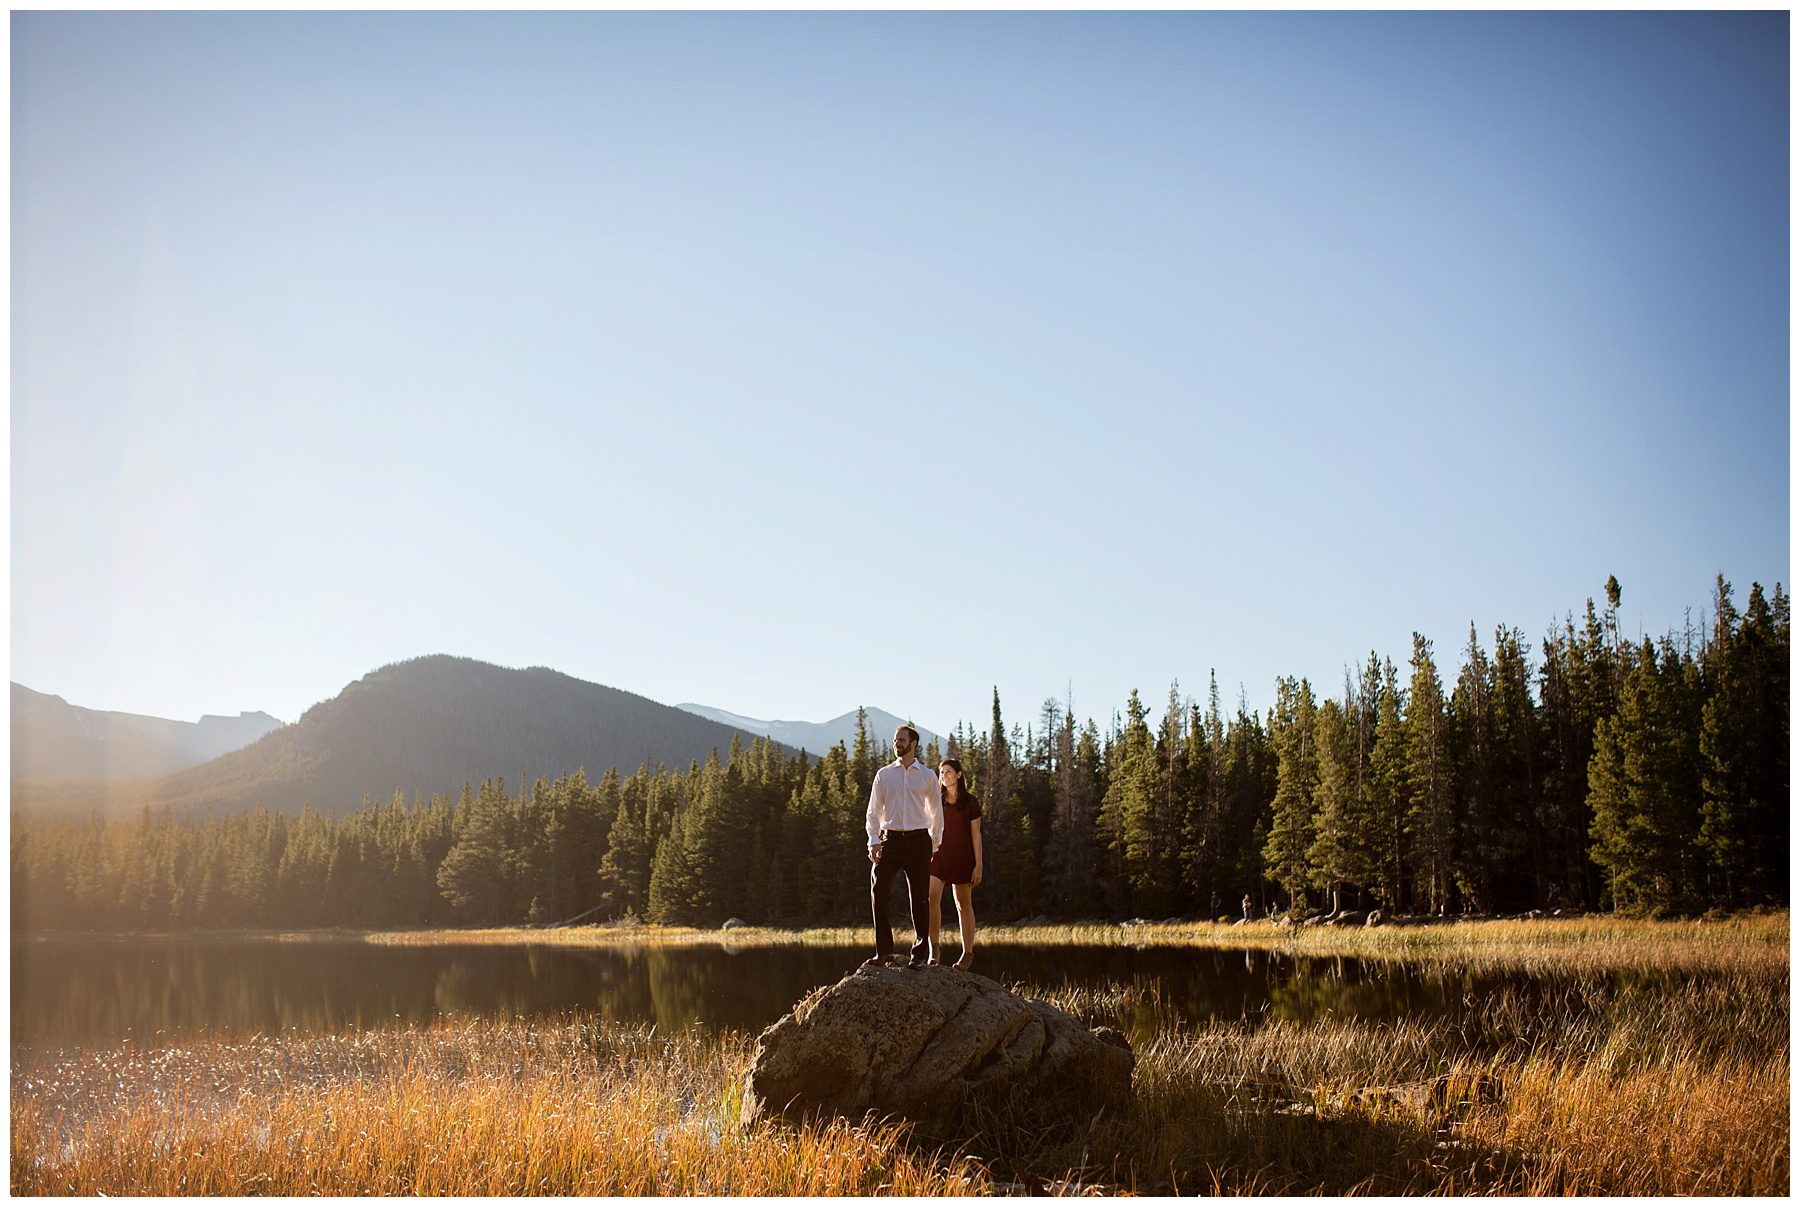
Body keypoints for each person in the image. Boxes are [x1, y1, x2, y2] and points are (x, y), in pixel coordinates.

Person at [864, 724, 943, 968]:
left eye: (901, 740)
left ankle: (919, 955)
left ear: (913, 744)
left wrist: (933, 843)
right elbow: (873, 811)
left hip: (919, 840)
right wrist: (873, 841)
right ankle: (883, 952)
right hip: (890, 840)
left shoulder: (927, 776)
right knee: (879, 892)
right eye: (895, 740)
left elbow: (936, 814)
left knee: (920, 897)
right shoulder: (884, 775)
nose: (897, 744)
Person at [927, 757, 982, 969]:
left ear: (959, 775)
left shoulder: (970, 802)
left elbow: (976, 835)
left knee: (963, 904)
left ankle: (967, 953)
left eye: (948, 771)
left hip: (962, 857)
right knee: (931, 897)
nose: (944, 776)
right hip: (938, 856)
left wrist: (978, 865)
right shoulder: (936, 800)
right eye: (942, 772)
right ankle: (934, 949)